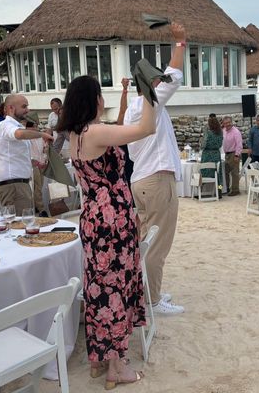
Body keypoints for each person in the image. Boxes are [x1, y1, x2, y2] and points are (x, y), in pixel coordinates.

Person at [58, 75, 155, 387]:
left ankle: (99, 360)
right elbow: (145, 129)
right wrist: (151, 94)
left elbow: (121, 125)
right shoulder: (96, 131)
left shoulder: (76, 134)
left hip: (92, 218)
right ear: (94, 99)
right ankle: (117, 367)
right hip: (112, 221)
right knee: (116, 289)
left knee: (99, 289)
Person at [124, 23, 186, 316]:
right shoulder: (149, 102)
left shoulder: (132, 109)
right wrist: (180, 43)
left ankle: (146, 291)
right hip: (157, 180)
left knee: (144, 240)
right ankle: (152, 300)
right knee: (157, 243)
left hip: (141, 180)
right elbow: (173, 78)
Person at [0, 95, 53, 215]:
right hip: (13, 185)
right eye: (24, 106)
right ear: (11, 108)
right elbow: (18, 134)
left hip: (18, 184)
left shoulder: (16, 125)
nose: (28, 110)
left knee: (23, 225)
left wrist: (33, 162)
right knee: (19, 226)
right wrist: (41, 134)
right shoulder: (6, 125)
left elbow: (15, 155)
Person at [26, 113, 47, 216]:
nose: (36, 128)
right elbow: (28, 153)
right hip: (33, 165)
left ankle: (37, 208)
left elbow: (43, 150)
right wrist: (36, 162)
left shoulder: (40, 137)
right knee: (37, 188)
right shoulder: (27, 138)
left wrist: (44, 161)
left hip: (41, 164)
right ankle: (41, 209)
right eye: (34, 126)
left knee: (39, 187)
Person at [200, 116, 223, 195]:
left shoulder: (208, 133)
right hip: (216, 154)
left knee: (203, 174)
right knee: (219, 176)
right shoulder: (220, 133)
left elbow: (203, 145)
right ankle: (219, 191)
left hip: (207, 155)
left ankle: (201, 191)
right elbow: (220, 144)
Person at [222, 116, 242, 196]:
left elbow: (239, 144)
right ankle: (225, 188)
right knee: (225, 173)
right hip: (226, 154)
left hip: (234, 153)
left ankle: (235, 190)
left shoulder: (236, 132)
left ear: (232, 122)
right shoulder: (223, 131)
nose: (228, 124)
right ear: (223, 124)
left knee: (234, 173)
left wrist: (237, 155)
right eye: (226, 123)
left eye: (229, 122)